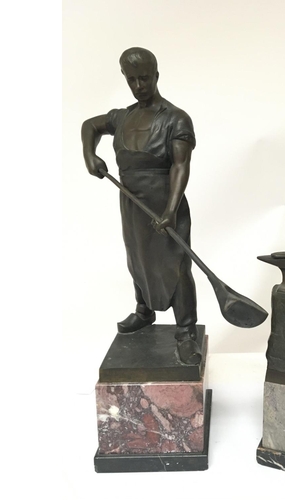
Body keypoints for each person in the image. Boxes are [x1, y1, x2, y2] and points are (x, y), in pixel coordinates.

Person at [81, 47, 200, 364]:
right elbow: (89, 126)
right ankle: (144, 311)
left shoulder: (175, 118)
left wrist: (171, 210)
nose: (138, 85)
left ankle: (186, 332)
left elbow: (180, 166)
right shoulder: (122, 116)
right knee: (137, 258)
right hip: (131, 201)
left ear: (156, 75)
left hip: (165, 201)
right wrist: (90, 155)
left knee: (175, 266)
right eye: (132, 79)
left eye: (144, 78)